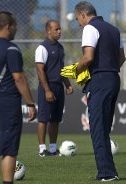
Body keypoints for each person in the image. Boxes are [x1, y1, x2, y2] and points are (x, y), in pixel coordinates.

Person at [74, 1, 126, 181]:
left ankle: (107, 173)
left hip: (100, 80)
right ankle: (109, 171)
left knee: (97, 128)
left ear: (82, 14)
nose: (78, 23)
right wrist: (109, 68)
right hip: (113, 78)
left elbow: (88, 57)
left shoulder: (89, 28)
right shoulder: (114, 30)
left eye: (77, 19)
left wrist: (76, 70)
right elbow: (122, 58)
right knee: (103, 128)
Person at [0, 11, 37, 184]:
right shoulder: (10, 49)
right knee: (9, 149)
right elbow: (18, 78)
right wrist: (30, 102)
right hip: (6, 104)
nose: (16, 29)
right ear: (7, 26)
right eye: (15, 26)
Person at [35, 20, 73, 157]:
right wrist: (47, 90)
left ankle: (52, 148)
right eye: (56, 29)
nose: (59, 31)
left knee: (55, 119)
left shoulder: (60, 47)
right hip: (48, 86)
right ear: (48, 31)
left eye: (60, 29)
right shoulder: (42, 48)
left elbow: (62, 69)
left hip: (58, 87)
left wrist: (67, 84)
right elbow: (40, 70)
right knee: (43, 118)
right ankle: (41, 149)